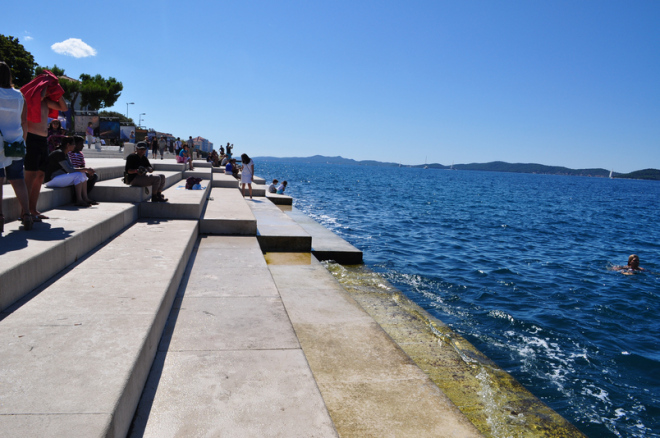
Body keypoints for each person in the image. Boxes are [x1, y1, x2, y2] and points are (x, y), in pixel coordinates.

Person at [20, 70, 68, 221]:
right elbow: (37, 96)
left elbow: (64, 108)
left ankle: (33, 209)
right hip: (31, 139)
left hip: (43, 140)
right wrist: (45, 86)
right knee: (30, 175)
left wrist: (57, 91)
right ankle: (25, 210)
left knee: (40, 175)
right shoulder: (28, 99)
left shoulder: (46, 102)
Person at [0, 61, 33, 231]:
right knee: (17, 179)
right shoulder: (19, 95)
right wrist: (23, 141)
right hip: (16, 143)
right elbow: (24, 122)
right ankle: (27, 214)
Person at [44, 136, 97, 207]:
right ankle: (79, 200)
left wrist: (85, 170)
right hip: (51, 180)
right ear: (68, 145)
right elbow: (69, 170)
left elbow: (71, 167)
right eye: (73, 144)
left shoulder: (66, 153)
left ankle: (85, 198)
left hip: (58, 177)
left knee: (82, 173)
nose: (75, 146)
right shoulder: (59, 153)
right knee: (78, 174)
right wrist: (86, 169)